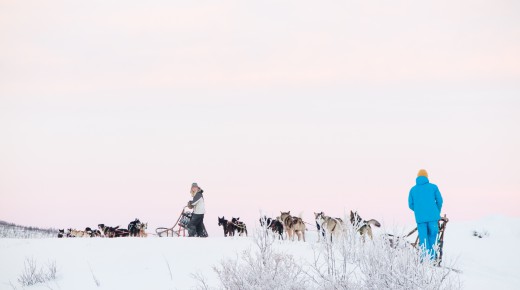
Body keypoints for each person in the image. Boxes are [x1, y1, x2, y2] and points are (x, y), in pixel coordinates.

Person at [408, 169, 443, 260]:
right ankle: (433, 259)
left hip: (420, 219)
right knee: (433, 237)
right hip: (433, 218)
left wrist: (419, 210)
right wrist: (437, 211)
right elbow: (440, 201)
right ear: (427, 177)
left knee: (423, 239)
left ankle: (425, 260)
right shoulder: (433, 187)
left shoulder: (413, 190)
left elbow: (411, 205)